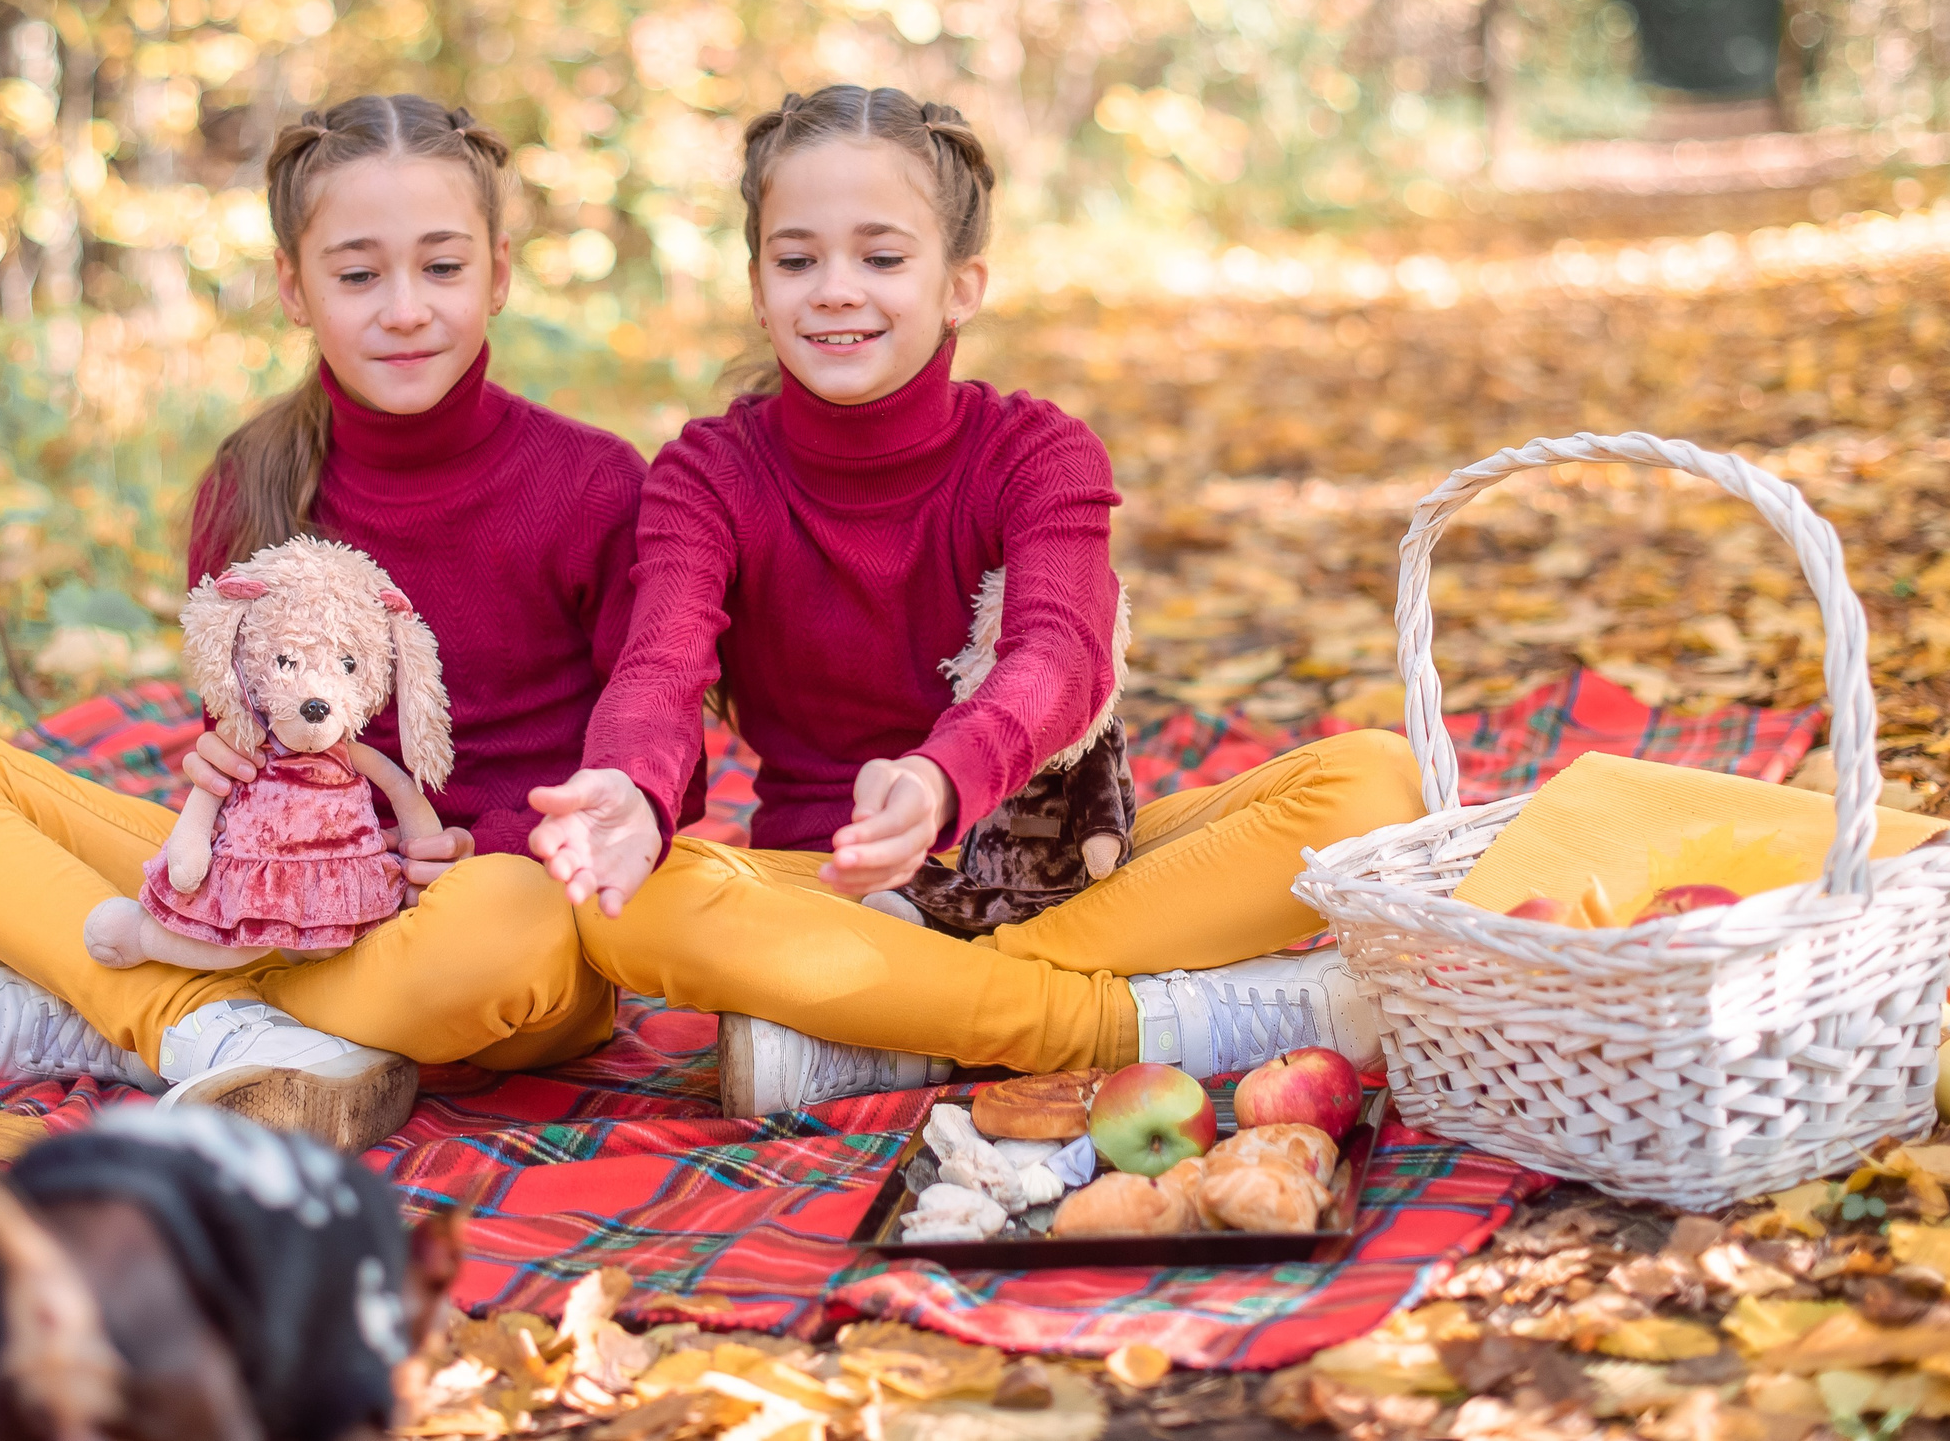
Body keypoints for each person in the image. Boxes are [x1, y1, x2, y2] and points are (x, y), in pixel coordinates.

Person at [526, 85, 1426, 1116]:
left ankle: (913, 1020)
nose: (835, 290)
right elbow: (659, 665)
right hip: (830, 892)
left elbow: (1060, 655)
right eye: (797, 259)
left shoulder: (1038, 453)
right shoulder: (705, 475)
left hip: (1048, 874)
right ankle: (1128, 1023)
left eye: (881, 257)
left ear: (961, 285)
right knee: (619, 909)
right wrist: (630, 791)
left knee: (1375, 782)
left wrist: (939, 779)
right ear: (759, 288)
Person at [0, 94, 648, 1129]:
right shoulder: (254, 475)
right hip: (271, 903)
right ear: (294, 286)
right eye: (357, 274)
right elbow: (242, 747)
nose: (404, 308)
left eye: (443, 267)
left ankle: (144, 1016)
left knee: (513, 923)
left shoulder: (591, 482)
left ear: (498, 272)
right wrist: (221, 778)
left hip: (476, 929)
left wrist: (483, 843)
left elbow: (650, 760)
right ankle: (219, 1030)